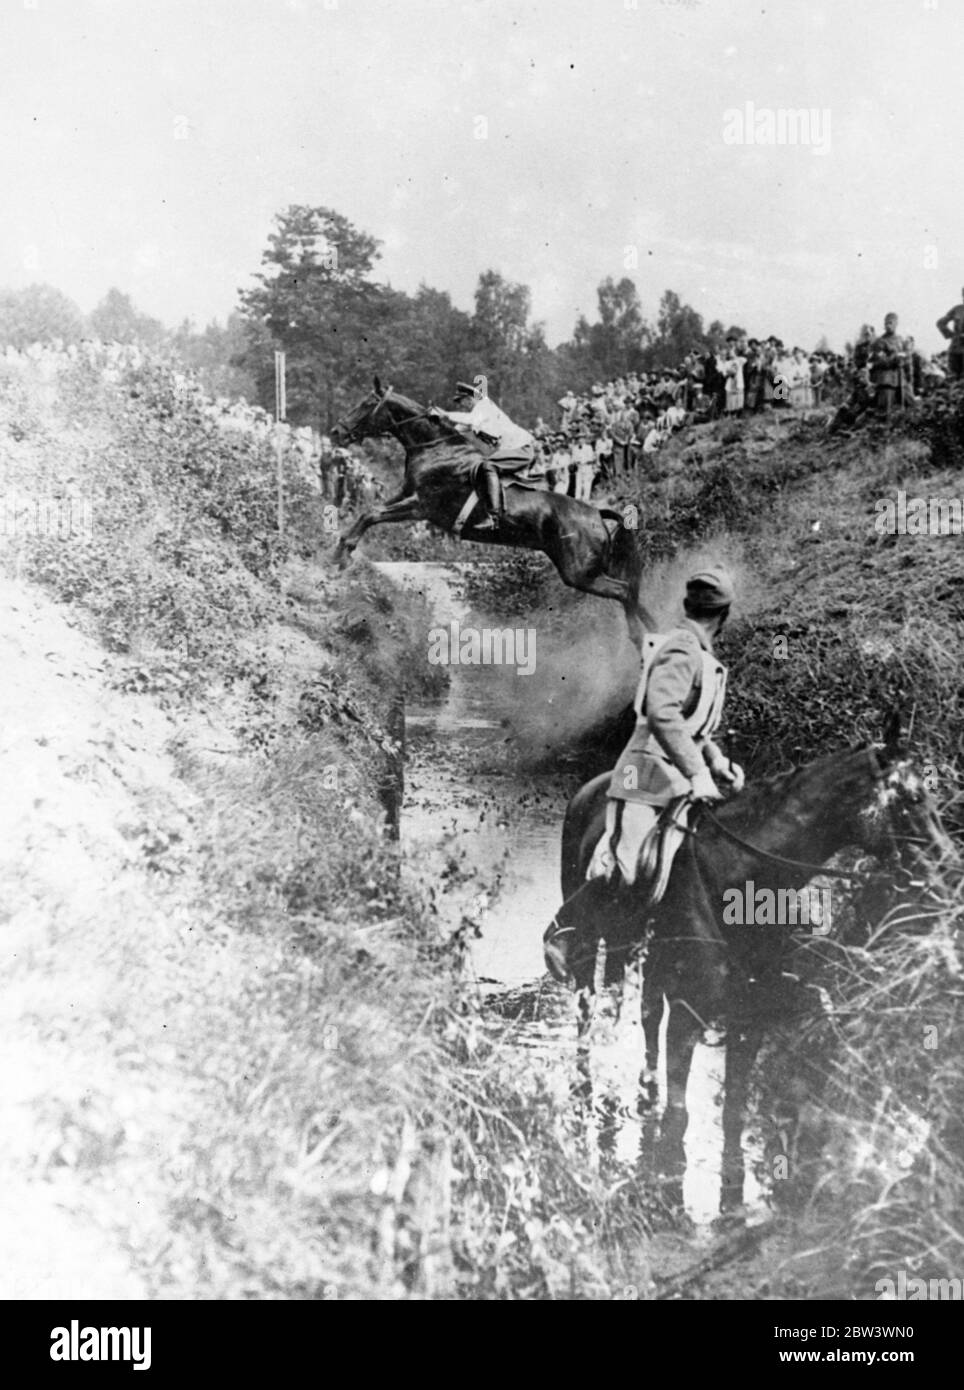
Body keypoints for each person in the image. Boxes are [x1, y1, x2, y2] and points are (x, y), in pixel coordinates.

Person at [543, 565, 744, 985]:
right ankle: (562, 928)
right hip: (643, 773)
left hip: (678, 776)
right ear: (723, 616)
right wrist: (699, 774)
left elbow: (695, 728)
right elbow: (662, 712)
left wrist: (718, 762)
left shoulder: (706, 660)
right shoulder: (682, 650)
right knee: (625, 866)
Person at [434, 382, 535, 530]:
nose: (463, 406)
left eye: (462, 402)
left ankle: (494, 516)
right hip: (512, 449)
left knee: (488, 465)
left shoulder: (484, 406)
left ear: (470, 398)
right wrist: (437, 420)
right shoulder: (477, 414)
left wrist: (446, 414)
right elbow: (456, 430)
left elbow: (469, 420)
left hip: (521, 449)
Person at [869, 314, 910, 418]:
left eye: (890, 323)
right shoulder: (880, 342)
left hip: (901, 380)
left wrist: (904, 358)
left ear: (896, 324)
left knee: (911, 406)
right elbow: (878, 361)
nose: (888, 325)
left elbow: (907, 357)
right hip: (886, 381)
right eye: (886, 323)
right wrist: (894, 360)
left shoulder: (901, 340)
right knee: (884, 413)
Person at [936, 289, 964, 381]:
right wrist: (951, 335)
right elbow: (940, 323)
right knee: (953, 381)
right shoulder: (957, 309)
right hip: (955, 350)